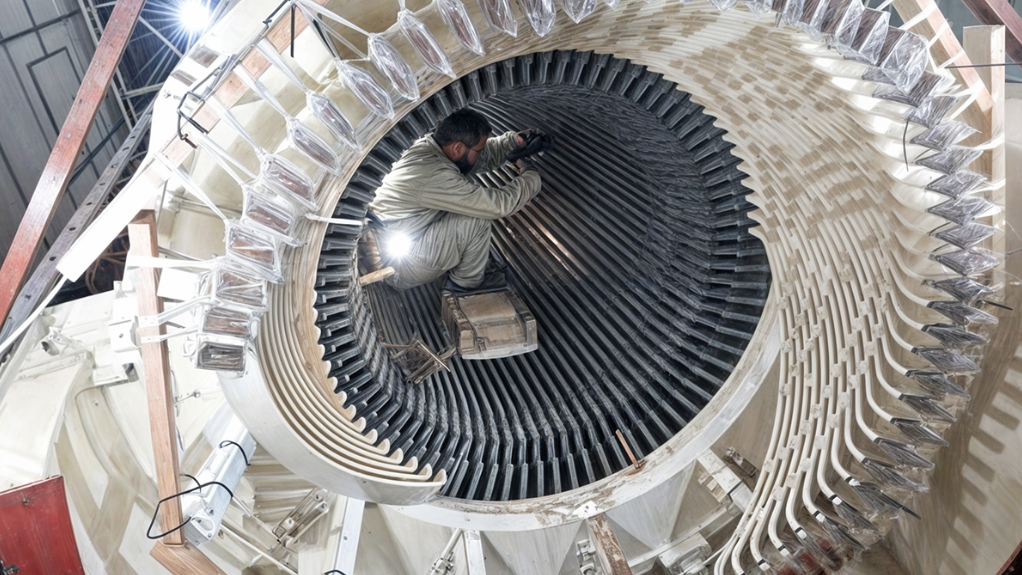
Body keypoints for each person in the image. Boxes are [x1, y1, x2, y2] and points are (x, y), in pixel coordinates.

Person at [369, 108, 547, 293]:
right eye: (478, 149)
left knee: (467, 203)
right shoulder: (436, 175)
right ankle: (465, 285)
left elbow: (477, 158)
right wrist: (531, 176)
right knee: (476, 218)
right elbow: (497, 205)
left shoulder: (430, 148)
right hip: (397, 268)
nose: (480, 153)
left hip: (397, 241)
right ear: (458, 147)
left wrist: (513, 142)